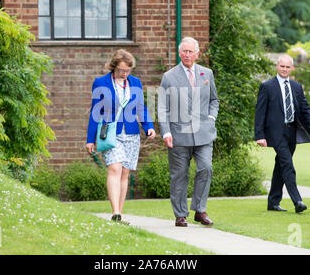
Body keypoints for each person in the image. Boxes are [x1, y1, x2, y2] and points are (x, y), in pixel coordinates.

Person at [86, 49, 156, 223]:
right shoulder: (101, 83)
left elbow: (141, 107)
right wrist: (90, 139)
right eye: (121, 70)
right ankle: (115, 212)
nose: (124, 74)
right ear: (113, 67)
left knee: (125, 173)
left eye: (127, 70)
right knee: (114, 169)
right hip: (111, 134)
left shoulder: (135, 83)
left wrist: (149, 127)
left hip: (131, 133)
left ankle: (120, 214)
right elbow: (95, 112)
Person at [158, 37, 219, 227]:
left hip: (204, 134)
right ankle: (180, 214)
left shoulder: (206, 73)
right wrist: (166, 132)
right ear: (179, 53)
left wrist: (211, 117)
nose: (187, 54)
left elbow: (214, 100)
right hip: (178, 135)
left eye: (191, 51)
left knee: (206, 168)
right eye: (184, 51)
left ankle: (200, 210)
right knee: (179, 175)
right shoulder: (169, 77)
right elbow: (162, 108)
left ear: (197, 54)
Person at [254, 54, 310, 213]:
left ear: (292, 68)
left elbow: (305, 108)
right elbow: (260, 112)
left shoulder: (297, 87)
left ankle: (273, 202)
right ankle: (297, 201)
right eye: (282, 66)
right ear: (277, 66)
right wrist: (259, 135)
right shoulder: (267, 86)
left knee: (281, 166)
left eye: (287, 67)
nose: (284, 69)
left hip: (292, 131)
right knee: (287, 165)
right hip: (275, 132)